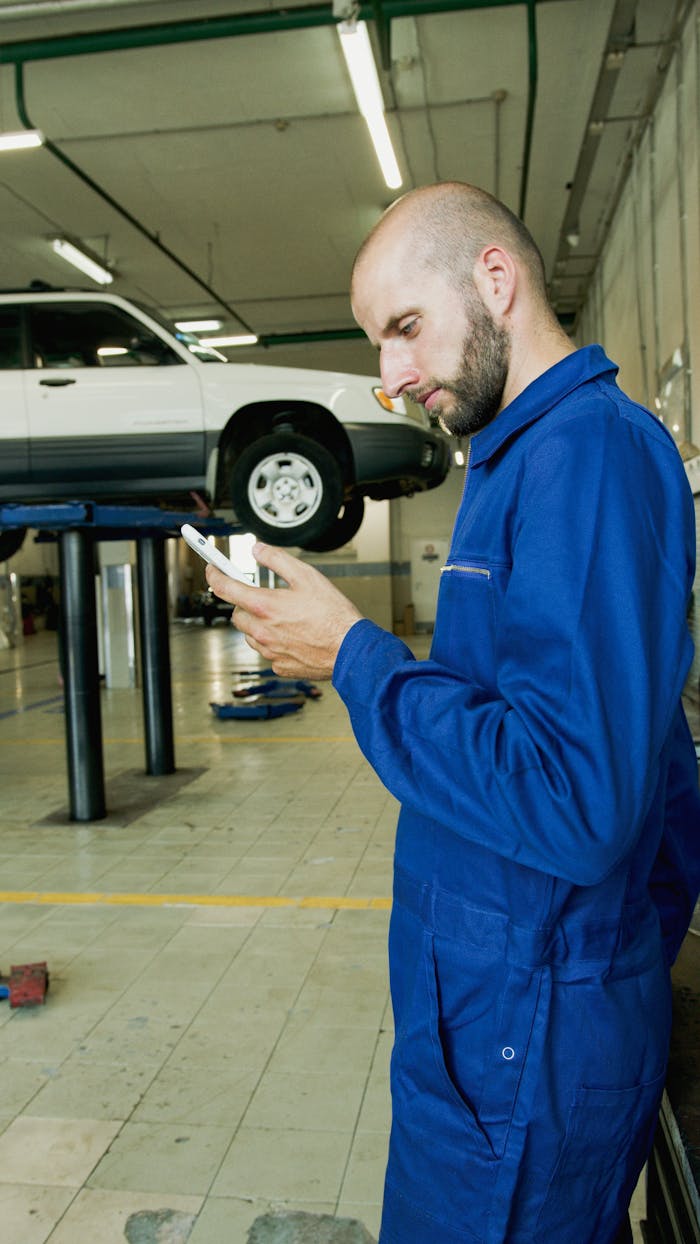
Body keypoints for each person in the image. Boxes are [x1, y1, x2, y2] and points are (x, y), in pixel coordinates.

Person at [205, 182, 700, 1244]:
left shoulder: (589, 458)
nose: (390, 377)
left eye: (403, 329)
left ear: (493, 278)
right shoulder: (517, 459)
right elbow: (657, 769)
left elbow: (578, 798)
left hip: (529, 1041)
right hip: (495, 1015)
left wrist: (354, 658)